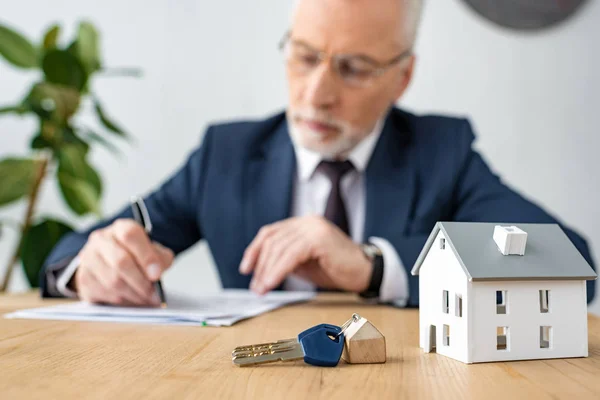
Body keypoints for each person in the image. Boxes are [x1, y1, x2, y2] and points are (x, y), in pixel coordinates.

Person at [41, 0, 596, 307]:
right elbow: (75, 250)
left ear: (402, 77)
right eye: (304, 57)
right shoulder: (227, 154)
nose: (315, 93)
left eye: (352, 68)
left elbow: (573, 264)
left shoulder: (440, 152)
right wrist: (91, 269)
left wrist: (374, 267)